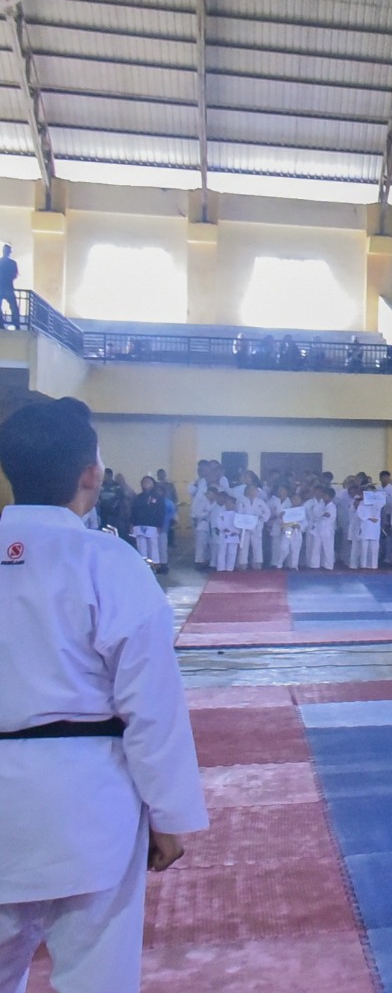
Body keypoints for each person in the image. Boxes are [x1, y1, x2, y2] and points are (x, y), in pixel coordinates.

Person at [0, 398, 207, 993]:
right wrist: (169, 814)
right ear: (92, 472)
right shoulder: (107, 560)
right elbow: (151, 703)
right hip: (86, 803)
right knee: (97, 976)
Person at [0, 244, 19, 329]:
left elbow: (15, 274)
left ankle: (2, 323)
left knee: (14, 307)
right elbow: (15, 274)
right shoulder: (12, 263)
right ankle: (15, 324)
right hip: (8, 288)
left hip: (4, 287)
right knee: (14, 307)